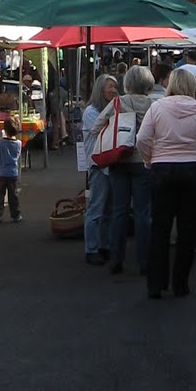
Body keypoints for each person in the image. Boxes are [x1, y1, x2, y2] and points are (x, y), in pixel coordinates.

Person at [136, 68, 196, 299]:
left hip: (163, 168)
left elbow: (142, 138)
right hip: (194, 169)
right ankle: (180, 284)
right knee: (187, 228)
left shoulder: (157, 107)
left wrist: (149, 158)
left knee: (159, 227)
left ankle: (156, 284)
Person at [94, 65, 157, 276]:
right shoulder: (154, 105)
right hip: (144, 161)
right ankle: (145, 261)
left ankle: (116, 259)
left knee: (119, 211)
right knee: (143, 213)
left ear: (127, 83)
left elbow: (96, 126)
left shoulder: (119, 102)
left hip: (119, 160)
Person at [82, 73, 119, 265]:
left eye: (115, 86)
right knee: (96, 208)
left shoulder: (112, 109)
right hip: (98, 165)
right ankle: (92, 248)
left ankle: (104, 245)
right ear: (100, 89)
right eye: (110, 86)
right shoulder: (91, 112)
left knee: (109, 209)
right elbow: (103, 130)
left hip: (111, 165)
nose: (113, 90)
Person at [0, 117, 23, 223]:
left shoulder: (1, 142)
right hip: (13, 173)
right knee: (13, 196)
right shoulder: (19, 143)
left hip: (1, 173)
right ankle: (16, 215)